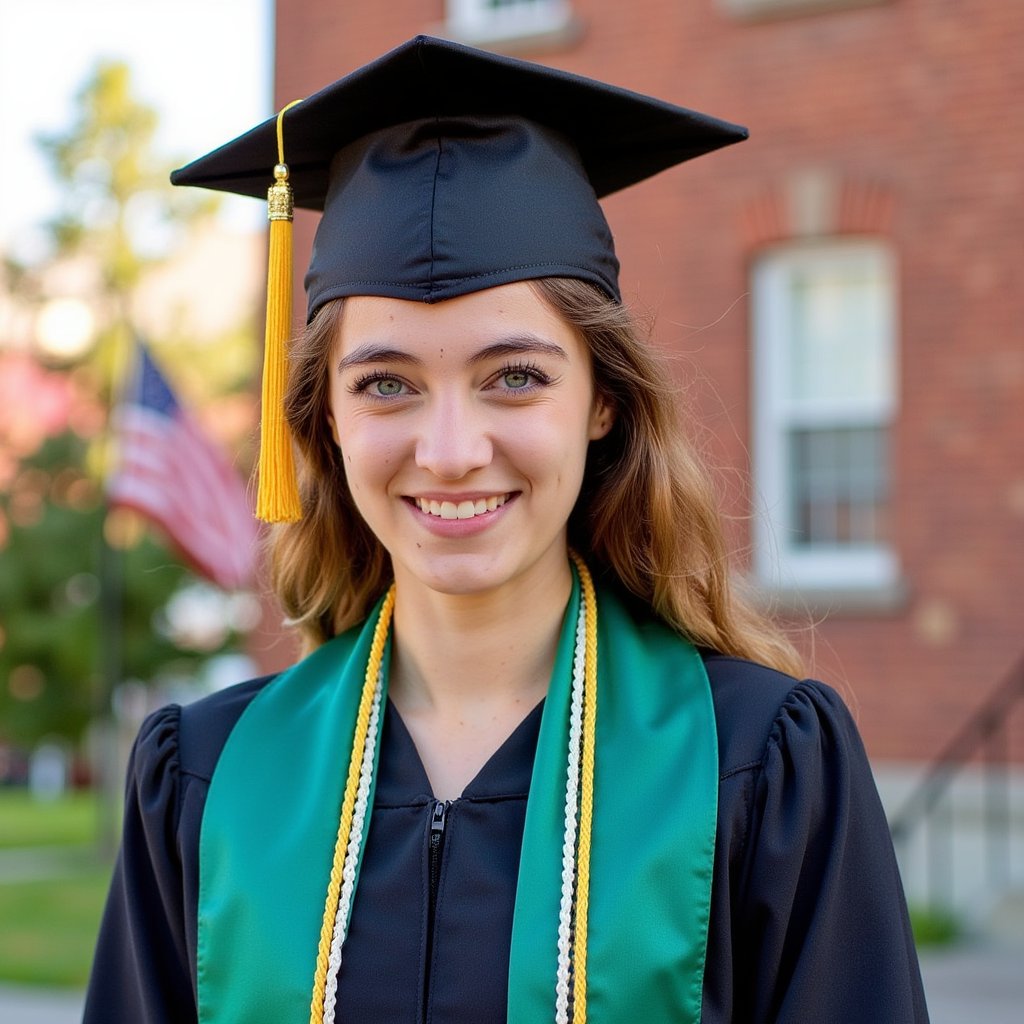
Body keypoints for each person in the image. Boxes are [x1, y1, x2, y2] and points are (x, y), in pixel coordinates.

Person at [84, 35, 929, 1024]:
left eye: (514, 377)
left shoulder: (758, 767)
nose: (448, 450)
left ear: (602, 402)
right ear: (325, 420)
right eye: (387, 384)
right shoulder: (207, 779)